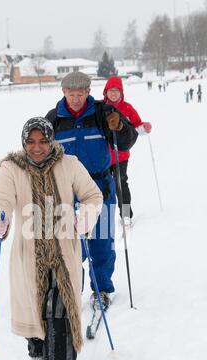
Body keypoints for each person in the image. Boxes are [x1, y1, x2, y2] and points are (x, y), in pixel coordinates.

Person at [0, 117, 103, 360]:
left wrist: (85, 217)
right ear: (23, 142)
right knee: (34, 304)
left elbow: (92, 196)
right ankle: (38, 353)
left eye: (42, 141)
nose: (37, 147)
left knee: (60, 307)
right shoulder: (11, 168)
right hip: (29, 253)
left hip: (64, 250)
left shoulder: (69, 164)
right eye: (31, 141)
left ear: (51, 141)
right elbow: (0, 200)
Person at [45, 71, 138, 311]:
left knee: (101, 242)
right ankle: (71, 288)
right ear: (63, 92)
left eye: (80, 93)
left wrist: (120, 127)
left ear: (88, 92)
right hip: (67, 192)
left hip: (100, 188)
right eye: (70, 93)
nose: (75, 98)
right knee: (69, 245)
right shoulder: (53, 119)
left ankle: (102, 290)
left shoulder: (102, 112)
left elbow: (128, 140)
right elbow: (40, 154)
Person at [103, 76, 152, 226]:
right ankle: (103, 215)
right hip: (103, 156)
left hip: (121, 156)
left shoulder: (127, 108)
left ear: (121, 93)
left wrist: (144, 127)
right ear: (106, 92)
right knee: (104, 187)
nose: (113, 94)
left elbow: (137, 125)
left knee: (121, 183)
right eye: (111, 91)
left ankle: (125, 214)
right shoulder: (99, 107)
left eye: (117, 91)